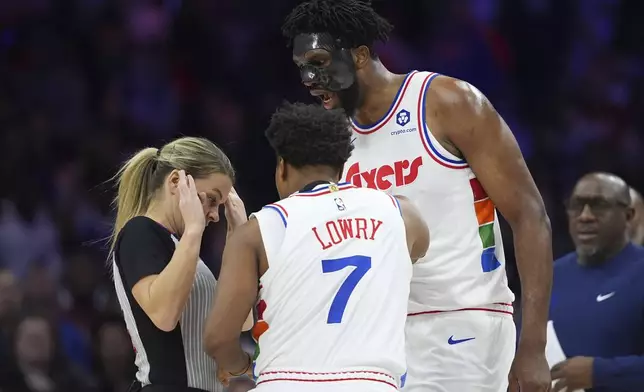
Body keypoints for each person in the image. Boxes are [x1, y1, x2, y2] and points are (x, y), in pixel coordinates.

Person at [281, 1, 553, 391]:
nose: (308, 77)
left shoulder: (445, 101)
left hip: (464, 324)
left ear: (359, 56)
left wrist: (533, 345)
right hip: (380, 339)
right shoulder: (333, 139)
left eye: (319, 61)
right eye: (300, 67)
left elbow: (530, 216)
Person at [203, 102, 429, 392]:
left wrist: (242, 366)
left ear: (282, 167)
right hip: (373, 384)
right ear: (342, 165)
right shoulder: (401, 212)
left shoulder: (258, 230)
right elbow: (417, 250)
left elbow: (218, 338)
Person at [109, 136, 249, 392]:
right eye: (211, 199)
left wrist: (239, 241)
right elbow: (163, 314)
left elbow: (243, 321)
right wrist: (194, 229)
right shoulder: (140, 232)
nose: (215, 215)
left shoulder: (185, 251)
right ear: (176, 182)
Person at [548, 172, 644, 392]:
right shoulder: (550, 275)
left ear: (628, 216)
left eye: (599, 205)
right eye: (576, 205)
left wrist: (599, 372)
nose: (585, 216)